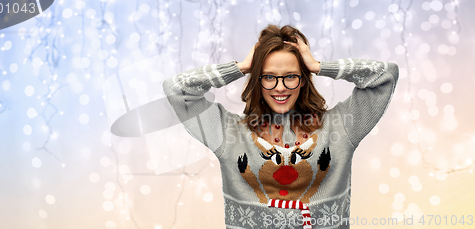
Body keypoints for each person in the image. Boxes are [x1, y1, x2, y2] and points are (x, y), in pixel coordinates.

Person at [163, 25, 399, 229]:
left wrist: (319, 66)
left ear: (304, 79)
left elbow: (385, 75)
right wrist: (242, 67)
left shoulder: (340, 127)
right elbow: (176, 89)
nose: (280, 87)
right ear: (257, 80)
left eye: (291, 76)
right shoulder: (229, 133)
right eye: (268, 76)